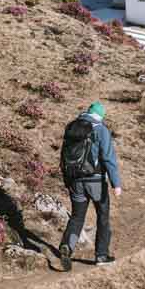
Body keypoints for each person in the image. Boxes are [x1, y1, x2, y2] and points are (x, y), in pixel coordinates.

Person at [59, 101, 121, 270]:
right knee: (102, 216)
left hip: (75, 180)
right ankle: (101, 255)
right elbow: (108, 158)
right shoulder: (101, 130)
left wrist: (67, 179)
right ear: (100, 115)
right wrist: (116, 184)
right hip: (96, 181)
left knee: (77, 216)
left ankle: (67, 246)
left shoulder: (72, 127)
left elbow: (63, 155)